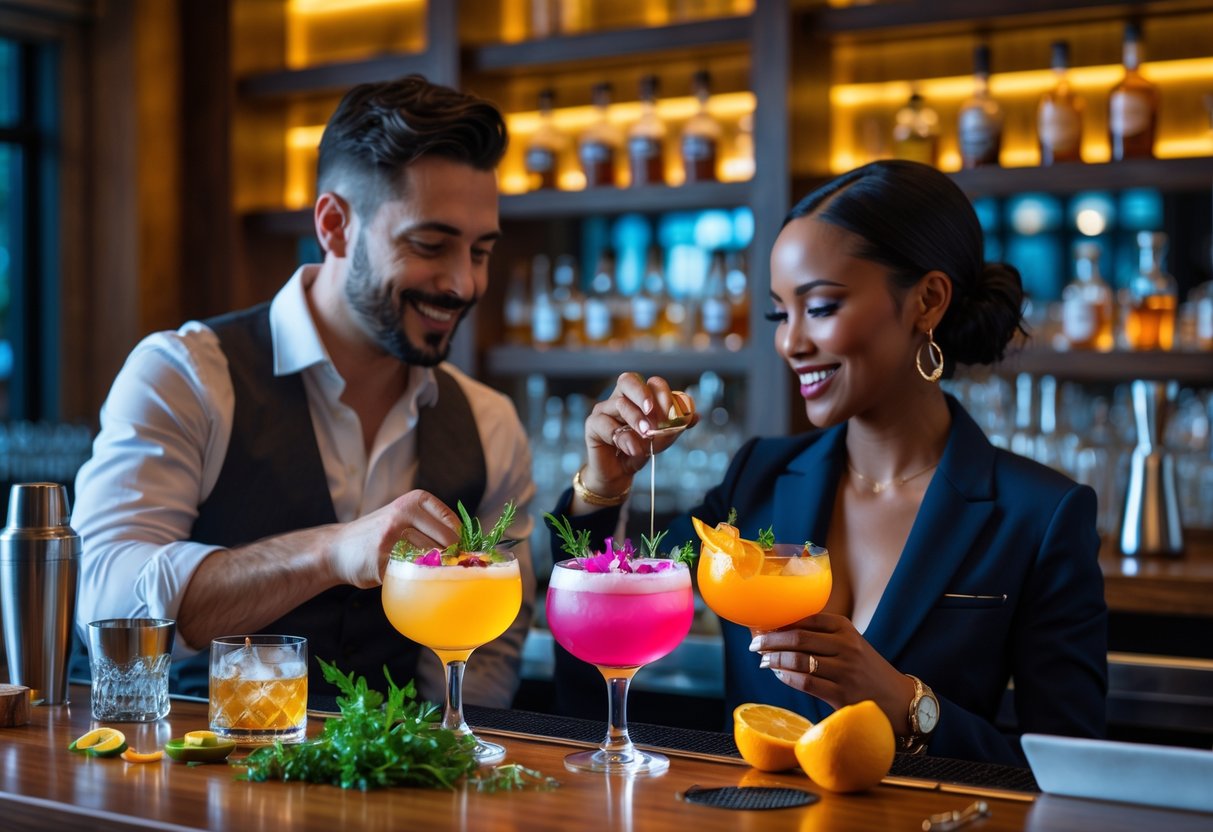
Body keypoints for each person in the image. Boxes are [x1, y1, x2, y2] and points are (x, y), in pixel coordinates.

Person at [552, 160, 1107, 765]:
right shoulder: (757, 476)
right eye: (779, 314)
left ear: (927, 300)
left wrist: (907, 703)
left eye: (819, 307)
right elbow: (610, 613)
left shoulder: (1041, 514)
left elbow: (1072, 769)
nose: (790, 342)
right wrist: (604, 487)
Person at [72, 74, 536, 706]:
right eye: (430, 245)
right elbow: (100, 599)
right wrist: (327, 551)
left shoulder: (490, 422)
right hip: (197, 784)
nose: (461, 284)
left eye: (480, 252)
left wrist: (446, 761)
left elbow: (490, 651)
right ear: (335, 225)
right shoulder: (184, 375)